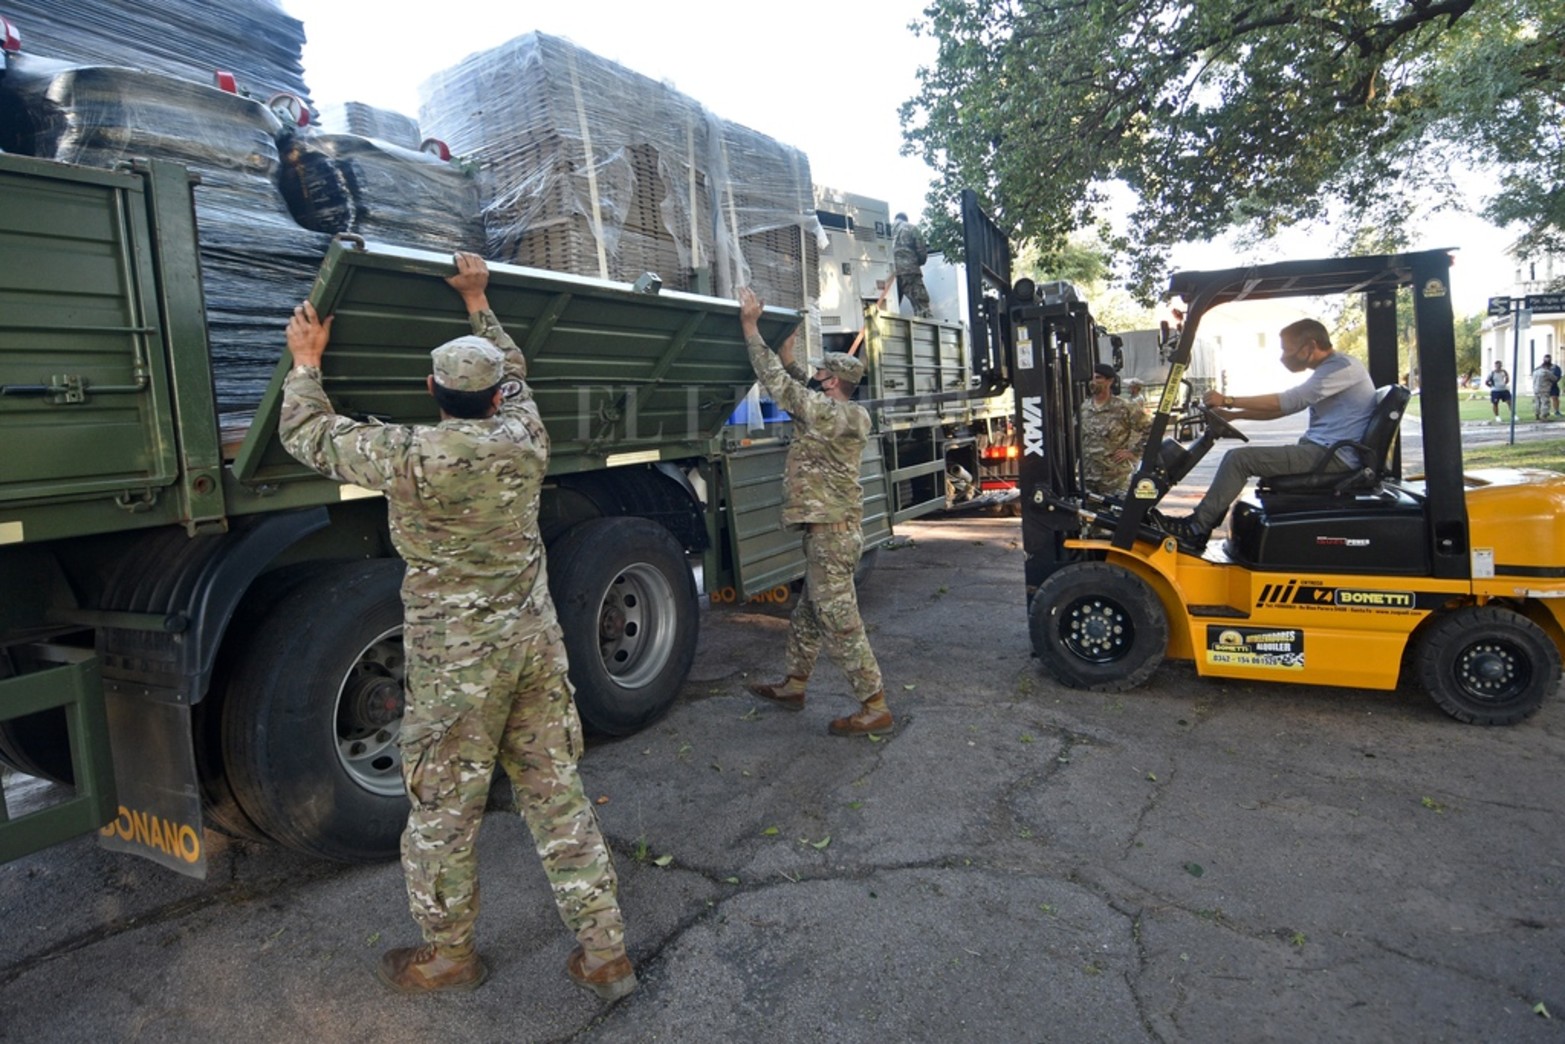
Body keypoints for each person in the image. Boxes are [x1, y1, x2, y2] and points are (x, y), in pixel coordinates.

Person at [278, 252, 635, 1001]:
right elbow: (517, 374)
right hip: (533, 647)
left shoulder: (411, 454)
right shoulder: (526, 439)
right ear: (497, 394)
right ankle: (605, 953)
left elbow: (309, 434)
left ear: (430, 391)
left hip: (457, 664)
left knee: (444, 807)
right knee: (555, 793)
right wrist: (478, 299)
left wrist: (307, 363)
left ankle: (448, 956)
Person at [736, 286, 892, 735]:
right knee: (809, 613)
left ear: (832, 382)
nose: (816, 376)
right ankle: (794, 685)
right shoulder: (838, 411)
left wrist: (751, 328)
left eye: (822, 373)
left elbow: (783, 388)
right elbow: (802, 384)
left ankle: (873, 703)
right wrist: (789, 356)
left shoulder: (837, 416)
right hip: (828, 533)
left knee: (839, 620)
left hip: (833, 535)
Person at [1160, 318, 1375, 552]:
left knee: (1238, 460)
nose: (1283, 356)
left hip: (1333, 456)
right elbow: (1283, 408)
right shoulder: (1331, 369)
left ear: (1310, 346)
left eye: (1286, 349)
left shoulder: (1342, 368)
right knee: (1240, 459)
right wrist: (1235, 415)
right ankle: (1201, 524)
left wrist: (1229, 400)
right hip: (1324, 450)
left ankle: (1196, 528)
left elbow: (1288, 401)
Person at [1079, 363, 1150, 496]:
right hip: (1088, 482)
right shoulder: (1084, 408)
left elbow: (1151, 430)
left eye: (1098, 378)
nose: (1093, 382)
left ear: (1110, 381)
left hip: (1115, 481)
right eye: (1092, 378)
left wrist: (1133, 452)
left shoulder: (1125, 407)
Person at [891, 211, 932, 318]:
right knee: (921, 305)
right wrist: (919, 262)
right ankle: (926, 330)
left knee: (891, 306)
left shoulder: (887, 229)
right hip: (909, 271)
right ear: (906, 219)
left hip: (890, 274)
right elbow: (921, 251)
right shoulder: (911, 228)